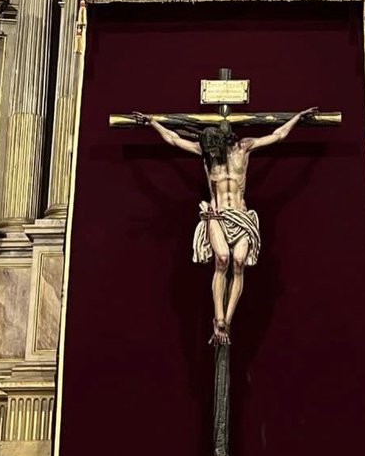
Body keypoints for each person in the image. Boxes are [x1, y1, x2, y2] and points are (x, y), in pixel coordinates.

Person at [133, 108, 318, 344]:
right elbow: (174, 139)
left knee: (239, 262)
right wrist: (152, 121)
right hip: (217, 214)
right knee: (221, 259)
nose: (210, 154)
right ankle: (217, 317)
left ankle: (226, 322)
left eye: (213, 149)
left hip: (240, 216)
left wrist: (298, 118)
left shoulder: (243, 148)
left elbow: (278, 135)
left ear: (222, 142)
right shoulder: (205, 153)